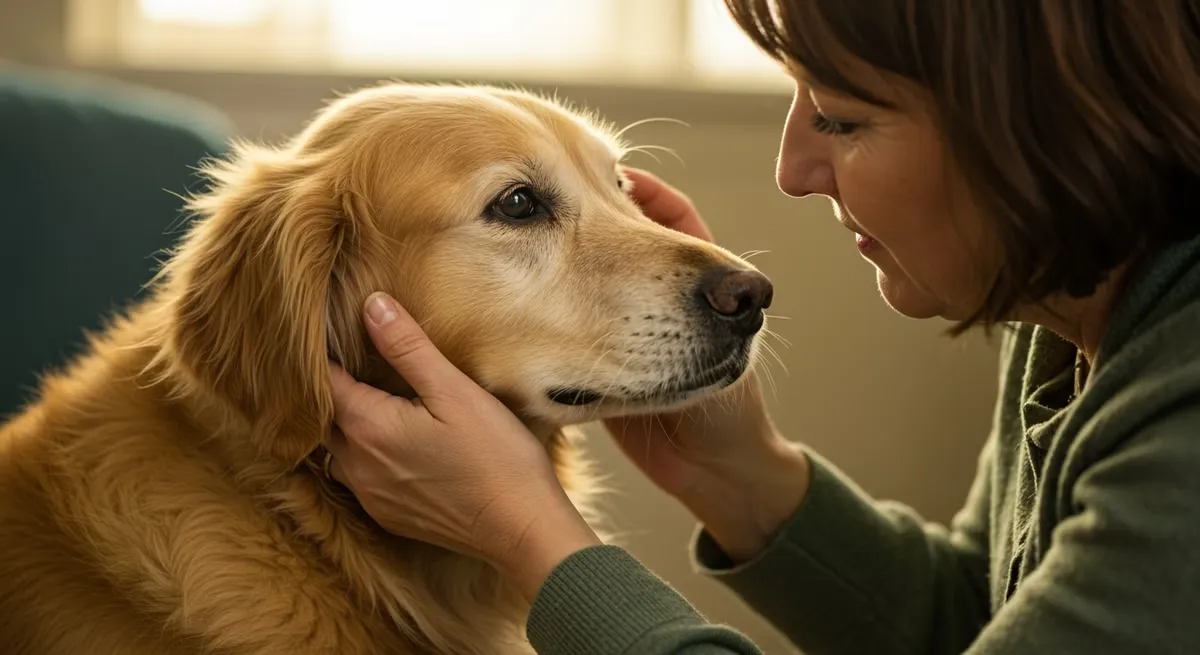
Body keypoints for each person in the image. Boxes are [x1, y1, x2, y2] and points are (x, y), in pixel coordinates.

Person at [322, 1, 1200, 653]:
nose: (792, 168)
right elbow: (983, 617)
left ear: (1046, 119)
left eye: (843, 117)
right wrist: (740, 472)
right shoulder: (1068, 304)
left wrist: (532, 539)